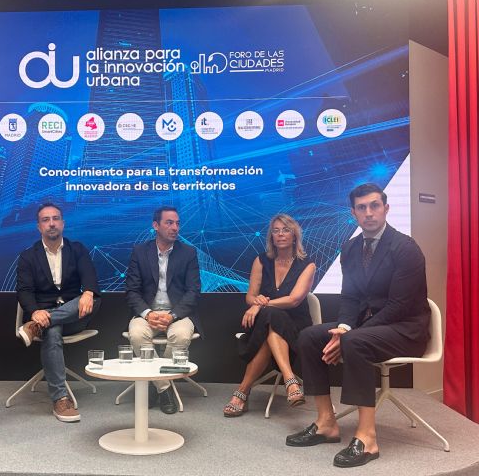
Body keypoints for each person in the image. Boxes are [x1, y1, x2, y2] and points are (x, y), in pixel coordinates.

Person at [286, 183, 430, 468]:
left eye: (375, 206)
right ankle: (326, 423)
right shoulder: (350, 248)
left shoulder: (406, 248)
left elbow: (399, 306)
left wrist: (350, 335)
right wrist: (343, 328)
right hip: (369, 327)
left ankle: (367, 438)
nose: (369, 213)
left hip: (406, 329)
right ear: (353, 213)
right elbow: (350, 298)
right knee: (309, 336)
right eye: (362, 208)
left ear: (386, 208)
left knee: (355, 341)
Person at [223, 214, 316, 417]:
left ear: (294, 235)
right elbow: (250, 296)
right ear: (271, 236)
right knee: (271, 320)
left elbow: (294, 300)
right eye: (276, 230)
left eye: (286, 230)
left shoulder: (307, 265)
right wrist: (255, 302)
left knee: (270, 320)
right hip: (265, 322)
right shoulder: (261, 261)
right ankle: (290, 381)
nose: (280, 234)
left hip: (296, 325)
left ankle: (242, 392)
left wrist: (260, 306)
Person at [16, 202, 101, 423]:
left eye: (55, 218)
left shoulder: (77, 249)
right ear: (39, 226)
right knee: (52, 331)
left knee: (94, 298)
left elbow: (90, 276)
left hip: (73, 315)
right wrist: (35, 312)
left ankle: (36, 327)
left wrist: (88, 292)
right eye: (46, 220)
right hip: (42, 313)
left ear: (63, 223)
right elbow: (24, 291)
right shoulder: (28, 256)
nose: (51, 223)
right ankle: (60, 399)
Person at [126, 206, 202, 414]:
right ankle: (165, 389)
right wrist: (148, 314)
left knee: (181, 336)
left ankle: (154, 383)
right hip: (147, 313)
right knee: (137, 334)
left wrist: (172, 316)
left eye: (177, 223)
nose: (175, 227)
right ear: (155, 225)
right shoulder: (140, 251)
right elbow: (132, 291)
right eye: (169, 223)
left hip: (178, 314)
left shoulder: (188, 252)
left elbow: (193, 291)